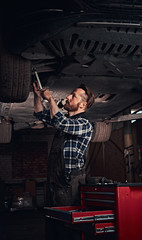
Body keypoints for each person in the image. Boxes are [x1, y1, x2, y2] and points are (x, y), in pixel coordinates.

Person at [33, 82, 95, 240]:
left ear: (83, 104)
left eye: (73, 96)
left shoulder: (84, 124)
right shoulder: (63, 121)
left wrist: (51, 98)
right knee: (53, 229)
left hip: (69, 188)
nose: (67, 97)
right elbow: (39, 113)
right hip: (54, 185)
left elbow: (61, 123)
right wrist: (37, 96)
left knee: (67, 232)